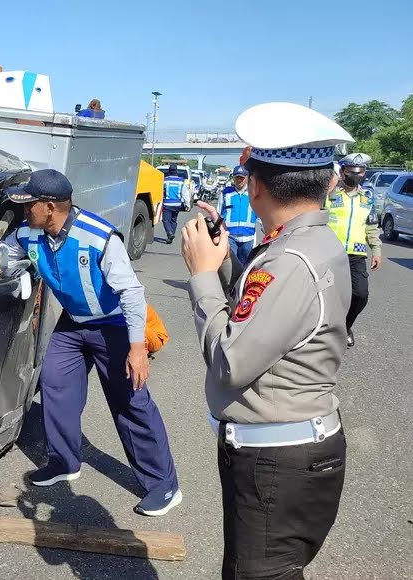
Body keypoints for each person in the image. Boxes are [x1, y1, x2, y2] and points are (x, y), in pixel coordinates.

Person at [181, 102, 353, 579]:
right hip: (285, 457)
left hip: (276, 463)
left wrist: (201, 276)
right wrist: (228, 268)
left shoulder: (291, 260)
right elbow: (270, 316)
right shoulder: (310, 243)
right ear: (327, 182)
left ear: (254, 185)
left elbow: (231, 360)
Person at [0, 169, 181, 517]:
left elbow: (132, 294)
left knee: (130, 400)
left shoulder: (100, 238)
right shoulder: (31, 233)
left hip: (113, 323)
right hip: (74, 322)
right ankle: (63, 461)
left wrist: (137, 350)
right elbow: (2, 257)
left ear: (49, 207)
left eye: (29, 205)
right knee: (55, 384)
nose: (24, 211)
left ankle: (163, 485)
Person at [324, 152, 381, 348]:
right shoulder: (329, 195)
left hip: (356, 254)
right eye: (351, 172)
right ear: (342, 172)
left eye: (360, 172)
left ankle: (345, 327)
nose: (356, 176)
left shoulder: (367, 198)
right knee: (326, 294)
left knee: (360, 294)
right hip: (330, 252)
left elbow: (371, 227)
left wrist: (376, 250)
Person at [217, 164, 259, 266]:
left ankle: (242, 282)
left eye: (242, 178)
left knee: (246, 266)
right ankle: (232, 282)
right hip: (230, 236)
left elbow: (260, 213)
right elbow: (218, 213)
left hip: (248, 237)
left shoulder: (253, 193)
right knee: (231, 265)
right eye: (237, 177)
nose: (239, 180)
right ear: (233, 178)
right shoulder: (225, 193)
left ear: (247, 178)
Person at [162, 164, 189, 244]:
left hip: (167, 204)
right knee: (173, 220)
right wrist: (187, 204)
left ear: (169, 171)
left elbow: (161, 191)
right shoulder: (181, 180)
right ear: (176, 171)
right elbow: (185, 193)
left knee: (166, 220)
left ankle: (170, 233)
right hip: (177, 204)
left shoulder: (165, 180)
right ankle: (171, 236)